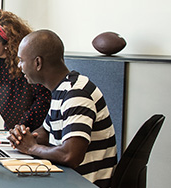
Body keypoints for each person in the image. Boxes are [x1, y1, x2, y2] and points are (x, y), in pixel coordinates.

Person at [8, 29, 117, 188]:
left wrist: (32, 147)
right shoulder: (62, 90)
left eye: (21, 60)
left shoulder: (76, 94)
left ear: (38, 63)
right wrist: (22, 137)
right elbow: (46, 132)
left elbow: (70, 156)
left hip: (84, 183)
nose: (19, 66)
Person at [0, 10, 51, 134]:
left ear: (7, 44)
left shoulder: (27, 63)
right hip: (11, 133)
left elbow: (43, 99)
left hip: (37, 131)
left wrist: (22, 126)